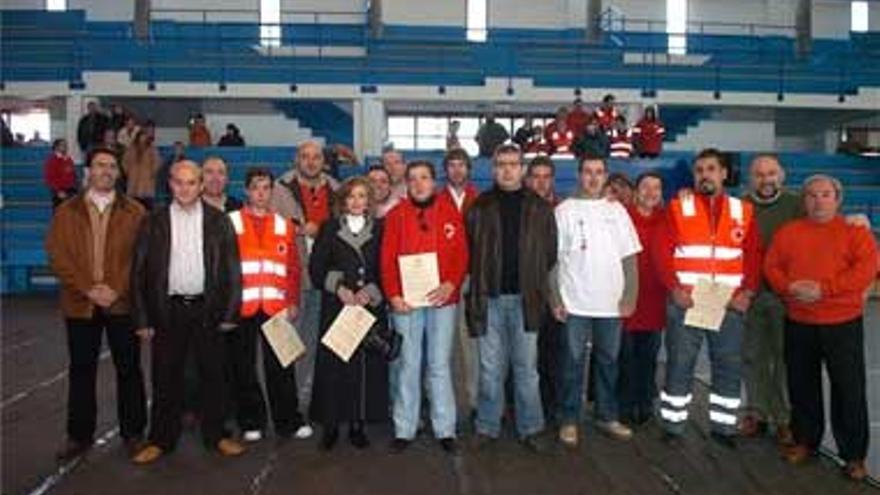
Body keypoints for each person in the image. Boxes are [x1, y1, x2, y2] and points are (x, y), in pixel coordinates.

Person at [129, 160, 245, 464]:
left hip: (208, 309)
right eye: (179, 182)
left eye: (191, 182)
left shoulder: (219, 221)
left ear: (201, 185)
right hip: (168, 310)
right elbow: (138, 272)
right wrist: (142, 318)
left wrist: (231, 312)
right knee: (165, 377)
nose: (185, 188)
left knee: (214, 375)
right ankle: (160, 440)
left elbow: (233, 270)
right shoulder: (152, 221)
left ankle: (217, 435)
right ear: (170, 184)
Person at [764, 174, 878, 481]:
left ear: (837, 199)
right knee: (802, 387)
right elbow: (771, 266)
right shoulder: (789, 232)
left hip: (842, 324)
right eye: (812, 195)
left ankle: (853, 456)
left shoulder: (855, 233)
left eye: (825, 194)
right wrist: (789, 287)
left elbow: (866, 269)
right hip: (799, 321)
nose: (818, 200)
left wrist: (824, 289)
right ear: (804, 200)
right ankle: (805, 442)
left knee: (849, 390)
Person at [46, 146, 148, 462]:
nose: (105, 171)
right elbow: (58, 256)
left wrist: (116, 289)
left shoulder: (135, 212)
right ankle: (78, 435)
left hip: (122, 304)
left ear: (119, 173)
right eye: (99, 165)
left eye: (111, 166)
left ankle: (133, 433)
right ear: (88, 171)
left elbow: (141, 259)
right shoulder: (66, 212)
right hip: (80, 304)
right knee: (81, 370)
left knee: (129, 369)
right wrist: (89, 289)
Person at [654, 148, 761, 448]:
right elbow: (661, 252)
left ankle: (724, 428)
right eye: (699, 170)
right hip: (686, 302)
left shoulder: (743, 211)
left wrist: (747, 293)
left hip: (729, 304)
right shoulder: (678, 207)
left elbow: (752, 256)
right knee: (679, 364)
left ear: (724, 173)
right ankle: (673, 426)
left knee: (728, 365)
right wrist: (674, 288)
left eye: (711, 169)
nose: (705, 175)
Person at [466, 144, 557, 452]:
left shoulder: (541, 209)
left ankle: (531, 427)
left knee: (526, 369)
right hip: (489, 298)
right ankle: (487, 426)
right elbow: (469, 253)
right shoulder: (479, 207)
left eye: (513, 164)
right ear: (493, 169)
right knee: (490, 369)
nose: (507, 170)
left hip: (526, 300)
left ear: (522, 169)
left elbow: (550, 254)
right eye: (501, 164)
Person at [381, 160, 468, 454]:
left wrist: (450, 284)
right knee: (408, 364)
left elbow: (461, 254)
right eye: (413, 179)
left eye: (424, 178)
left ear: (434, 181)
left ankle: (445, 428)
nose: (419, 184)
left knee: (439, 365)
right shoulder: (396, 216)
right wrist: (393, 295)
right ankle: (404, 428)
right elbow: (387, 259)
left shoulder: (449, 212)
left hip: (443, 300)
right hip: (407, 303)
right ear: (406, 184)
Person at [554, 155, 641, 446]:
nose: (593, 178)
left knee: (608, 362)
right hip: (574, 302)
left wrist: (629, 297)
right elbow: (553, 262)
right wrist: (556, 298)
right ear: (579, 175)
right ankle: (569, 419)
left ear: (606, 177)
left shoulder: (616, 211)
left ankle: (607, 415)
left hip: (611, 304)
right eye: (588, 172)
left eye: (599, 173)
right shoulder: (564, 211)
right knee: (572, 363)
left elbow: (630, 257)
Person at [309, 177, 393, 450]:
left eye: (362, 196)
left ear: (369, 200)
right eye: (351, 196)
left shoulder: (382, 229)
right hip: (338, 307)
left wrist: (371, 291)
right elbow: (316, 268)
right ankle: (331, 425)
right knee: (334, 367)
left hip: (368, 307)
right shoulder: (329, 228)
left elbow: (387, 266)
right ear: (343, 200)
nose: (357, 201)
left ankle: (358, 424)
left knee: (364, 368)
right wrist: (340, 288)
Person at [226, 167, 306, 443]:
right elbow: (223, 269)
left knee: (282, 367)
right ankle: (251, 421)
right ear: (246, 190)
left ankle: (289, 421)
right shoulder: (231, 222)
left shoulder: (284, 225)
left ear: (272, 191)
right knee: (243, 367)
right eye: (256, 187)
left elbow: (293, 269)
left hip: (276, 307)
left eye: (266, 188)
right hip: (242, 308)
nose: (261, 193)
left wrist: (293, 300)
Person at [271, 141, 339, 430]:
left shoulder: (337, 189)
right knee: (289, 345)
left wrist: (319, 228)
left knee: (320, 344)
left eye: (316, 157)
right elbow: (271, 225)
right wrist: (299, 227)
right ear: (296, 159)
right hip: (293, 278)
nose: (311, 162)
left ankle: (315, 403)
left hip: (326, 280)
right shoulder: (279, 188)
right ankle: (289, 405)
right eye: (305, 157)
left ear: (323, 161)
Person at [739, 154, 801, 445]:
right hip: (750, 295)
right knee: (752, 357)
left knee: (784, 359)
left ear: (782, 175)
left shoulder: (797, 205)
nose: (766, 179)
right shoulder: (740, 207)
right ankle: (756, 412)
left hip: (785, 296)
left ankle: (784, 418)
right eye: (760, 174)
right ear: (751, 178)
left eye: (771, 173)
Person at [618, 172, 667, 426]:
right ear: (636, 191)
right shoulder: (620, 216)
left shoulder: (668, 218)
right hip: (625, 299)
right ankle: (624, 405)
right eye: (645, 187)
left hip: (655, 300)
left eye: (656, 188)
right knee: (625, 357)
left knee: (649, 357)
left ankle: (645, 403)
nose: (650, 192)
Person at [437, 148, 480, 419]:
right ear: (445, 170)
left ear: (469, 169)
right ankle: (443, 399)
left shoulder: (481, 200)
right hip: (442, 281)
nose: (457, 170)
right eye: (452, 165)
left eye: (461, 165)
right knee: (443, 343)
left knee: (471, 342)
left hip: (473, 279)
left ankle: (474, 399)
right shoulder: (435, 200)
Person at [523, 155, 563, 425]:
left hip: (557, 295)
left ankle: (550, 409)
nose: (540, 181)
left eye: (545, 176)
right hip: (523, 295)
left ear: (553, 180)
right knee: (522, 358)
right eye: (535, 176)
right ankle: (519, 409)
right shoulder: (518, 209)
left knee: (552, 354)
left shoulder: (564, 210)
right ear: (527, 180)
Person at [121, 129, 160, 210]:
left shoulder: (152, 149)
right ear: (137, 137)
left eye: (144, 137)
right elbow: (124, 161)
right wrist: (128, 172)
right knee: (132, 208)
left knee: (147, 209)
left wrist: (152, 173)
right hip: (133, 183)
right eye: (141, 137)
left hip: (147, 183)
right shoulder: (131, 148)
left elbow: (157, 162)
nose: (142, 139)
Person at [44, 138, 78, 209]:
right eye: (63, 145)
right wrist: (58, 191)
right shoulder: (52, 160)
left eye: (66, 145)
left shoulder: (68, 159)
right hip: (59, 191)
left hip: (71, 190)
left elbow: (73, 174)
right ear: (56, 147)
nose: (65, 147)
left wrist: (75, 189)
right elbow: (50, 178)